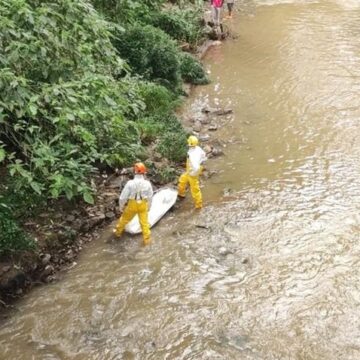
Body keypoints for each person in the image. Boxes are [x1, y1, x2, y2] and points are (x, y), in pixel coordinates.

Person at [113, 162, 153, 245]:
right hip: (143, 204)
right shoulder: (147, 183)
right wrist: (149, 206)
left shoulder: (130, 183)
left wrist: (121, 206)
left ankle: (117, 233)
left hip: (132, 204)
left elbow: (123, 197)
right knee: (144, 223)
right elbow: (150, 196)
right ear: (144, 172)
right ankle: (147, 240)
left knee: (124, 219)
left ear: (134, 172)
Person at [178, 135, 207, 209]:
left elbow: (196, 167)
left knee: (195, 190)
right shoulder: (198, 148)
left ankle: (198, 205)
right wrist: (201, 162)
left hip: (192, 173)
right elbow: (204, 156)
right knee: (182, 180)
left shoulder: (192, 155)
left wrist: (193, 173)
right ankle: (181, 194)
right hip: (190, 171)